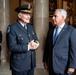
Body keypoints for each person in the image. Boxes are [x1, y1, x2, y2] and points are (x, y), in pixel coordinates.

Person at [7, 4, 39, 75]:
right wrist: (28, 47)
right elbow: (11, 47)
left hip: (31, 63)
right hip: (19, 65)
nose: (29, 16)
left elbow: (36, 39)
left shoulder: (31, 27)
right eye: (26, 14)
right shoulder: (13, 28)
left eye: (29, 14)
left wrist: (36, 44)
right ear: (19, 15)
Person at [43, 9, 76, 75]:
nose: (52, 18)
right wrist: (45, 60)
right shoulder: (51, 30)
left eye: (55, 16)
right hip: (52, 66)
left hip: (64, 67)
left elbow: (74, 50)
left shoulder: (71, 31)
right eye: (53, 16)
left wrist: (72, 66)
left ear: (63, 17)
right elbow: (47, 47)